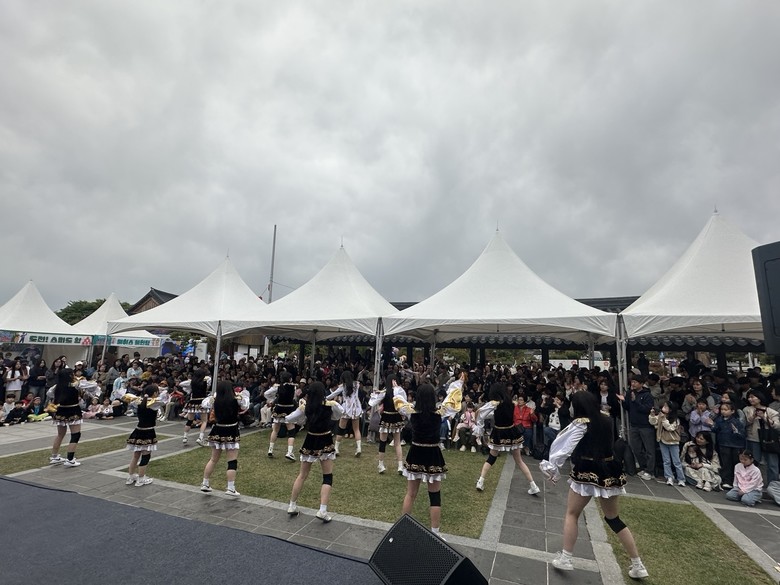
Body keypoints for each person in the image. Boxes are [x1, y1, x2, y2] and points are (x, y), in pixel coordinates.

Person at [540, 391, 648, 579]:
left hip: (587, 469)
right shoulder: (606, 419)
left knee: (572, 514)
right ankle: (638, 564)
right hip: (609, 470)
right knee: (613, 519)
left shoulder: (580, 424)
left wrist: (553, 467)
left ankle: (566, 558)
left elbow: (564, 447)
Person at [394, 383, 448, 539]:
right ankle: (435, 533)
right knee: (435, 496)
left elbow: (398, 400)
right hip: (433, 454)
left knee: (411, 494)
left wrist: (396, 388)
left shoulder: (411, 412)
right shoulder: (440, 412)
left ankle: (402, 530)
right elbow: (453, 400)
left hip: (416, 453)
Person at [285, 381, 344, 522]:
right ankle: (322, 510)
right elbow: (340, 413)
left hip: (310, 439)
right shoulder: (330, 405)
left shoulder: (306, 406)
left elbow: (289, 418)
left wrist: (302, 412)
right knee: (327, 476)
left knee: (302, 475)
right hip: (325, 439)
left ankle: (292, 505)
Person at [473, 383, 540, 495]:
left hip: (499, 432)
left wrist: (479, 427)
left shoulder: (494, 404)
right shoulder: (512, 403)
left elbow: (479, 413)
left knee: (491, 458)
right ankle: (533, 485)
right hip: (512, 432)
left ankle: (480, 481)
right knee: (519, 461)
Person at [200, 380, 247, 497]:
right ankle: (231, 487)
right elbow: (245, 405)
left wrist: (213, 398)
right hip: (231, 430)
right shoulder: (236, 399)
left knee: (213, 459)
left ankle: (205, 483)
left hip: (218, 429)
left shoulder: (215, 399)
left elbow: (204, 404)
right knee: (232, 460)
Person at [617, 374, 656, 481]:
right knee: (636, 448)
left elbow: (647, 409)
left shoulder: (647, 395)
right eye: (632, 382)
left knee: (649, 449)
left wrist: (635, 401)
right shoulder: (630, 393)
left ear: (641, 384)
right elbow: (628, 407)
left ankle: (650, 471)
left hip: (645, 426)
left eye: (635, 382)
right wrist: (623, 401)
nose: (633, 384)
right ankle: (643, 467)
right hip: (634, 425)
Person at [368, 373, 407, 474]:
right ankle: (400, 466)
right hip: (396, 417)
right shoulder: (399, 391)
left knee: (382, 442)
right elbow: (404, 403)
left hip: (386, 417)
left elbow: (372, 403)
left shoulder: (385, 392)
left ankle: (381, 465)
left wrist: (375, 394)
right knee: (397, 443)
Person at [124, 384, 161, 487]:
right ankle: (141, 478)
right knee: (145, 456)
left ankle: (131, 477)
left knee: (136, 455)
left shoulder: (138, 401)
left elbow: (127, 397)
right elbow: (162, 402)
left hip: (138, 430)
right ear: (154, 393)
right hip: (148, 431)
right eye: (157, 392)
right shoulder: (154, 403)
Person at [49, 368, 84, 467]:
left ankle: (54, 456)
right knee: (75, 435)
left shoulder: (57, 386)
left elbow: (50, 394)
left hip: (61, 411)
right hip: (73, 410)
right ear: (70, 375)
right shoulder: (76, 384)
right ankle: (70, 459)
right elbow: (92, 386)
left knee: (60, 434)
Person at [648, 401, 686, 487]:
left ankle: (681, 479)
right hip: (663, 440)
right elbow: (653, 422)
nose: (663, 408)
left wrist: (664, 419)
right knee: (666, 461)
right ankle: (669, 477)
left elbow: (669, 428)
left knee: (676, 461)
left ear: (671, 409)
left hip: (673, 442)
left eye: (666, 406)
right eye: (664, 406)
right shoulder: (660, 416)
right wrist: (652, 415)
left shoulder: (676, 419)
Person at [264, 371, 299, 460]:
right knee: (291, 431)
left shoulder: (278, 387)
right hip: (289, 409)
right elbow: (294, 398)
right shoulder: (293, 387)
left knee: (275, 430)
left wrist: (273, 399)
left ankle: (270, 450)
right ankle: (289, 452)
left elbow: (266, 394)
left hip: (279, 409)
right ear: (290, 379)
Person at [329, 370, 364, 457]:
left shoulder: (342, 386)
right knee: (356, 429)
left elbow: (333, 394)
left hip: (346, 408)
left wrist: (324, 398)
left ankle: (336, 448)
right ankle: (359, 448)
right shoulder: (357, 384)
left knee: (341, 429)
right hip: (356, 408)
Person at [712, 402, 746, 489]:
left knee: (736, 463)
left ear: (732, 411)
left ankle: (736, 480)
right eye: (722, 409)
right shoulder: (719, 420)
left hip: (736, 445)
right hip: (723, 443)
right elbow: (715, 430)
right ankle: (726, 480)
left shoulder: (736, 421)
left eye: (726, 410)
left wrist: (736, 432)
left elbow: (742, 434)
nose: (723, 411)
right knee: (725, 463)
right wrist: (712, 425)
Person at [182, 368, 210, 446]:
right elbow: (209, 379)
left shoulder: (192, 382)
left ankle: (185, 437)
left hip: (193, 402)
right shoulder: (205, 381)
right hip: (202, 402)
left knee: (189, 420)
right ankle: (200, 438)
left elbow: (181, 384)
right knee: (204, 421)